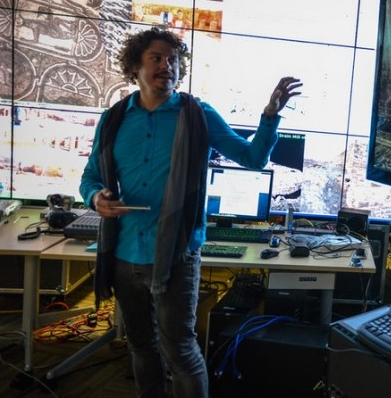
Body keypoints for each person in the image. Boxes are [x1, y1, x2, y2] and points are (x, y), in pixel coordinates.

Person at [79, 27, 302, 398]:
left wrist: (269, 116)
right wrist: (95, 198)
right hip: (123, 254)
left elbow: (252, 158)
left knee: (180, 350)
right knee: (140, 346)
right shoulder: (114, 118)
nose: (167, 66)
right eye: (157, 58)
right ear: (135, 67)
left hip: (177, 255)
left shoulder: (198, 114)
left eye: (174, 60)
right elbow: (90, 178)